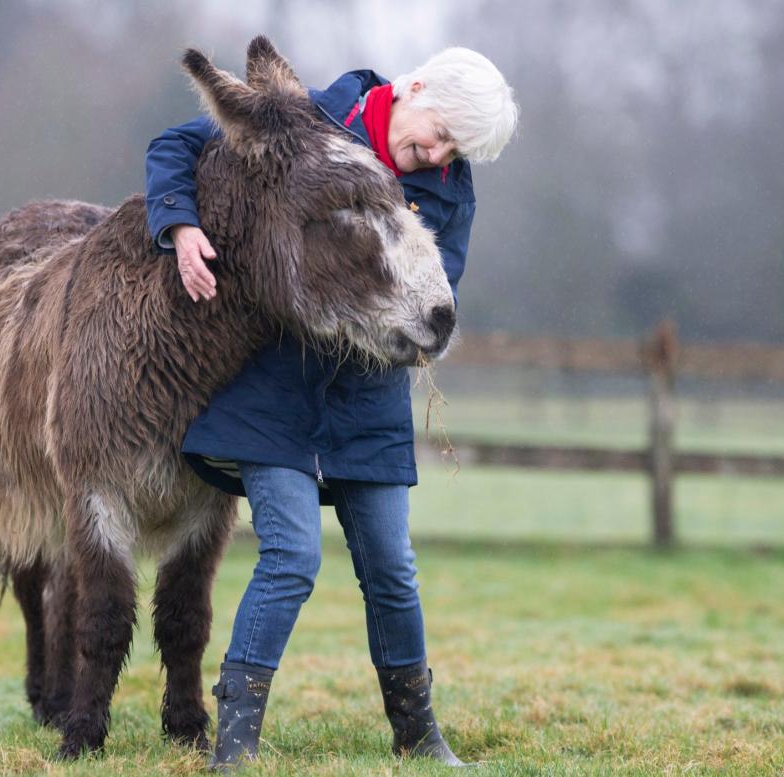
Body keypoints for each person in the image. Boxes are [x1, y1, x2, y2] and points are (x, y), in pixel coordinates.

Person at [144, 46, 518, 769]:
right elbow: (178, 143)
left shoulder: (449, 193)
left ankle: (417, 731)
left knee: (391, 567)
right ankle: (235, 740)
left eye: (453, 149)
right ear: (411, 88)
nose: (435, 153)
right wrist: (180, 225)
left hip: (368, 401)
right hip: (273, 393)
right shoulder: (311, 120)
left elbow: (432, 290)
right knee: (292, 556)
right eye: (438, 130)